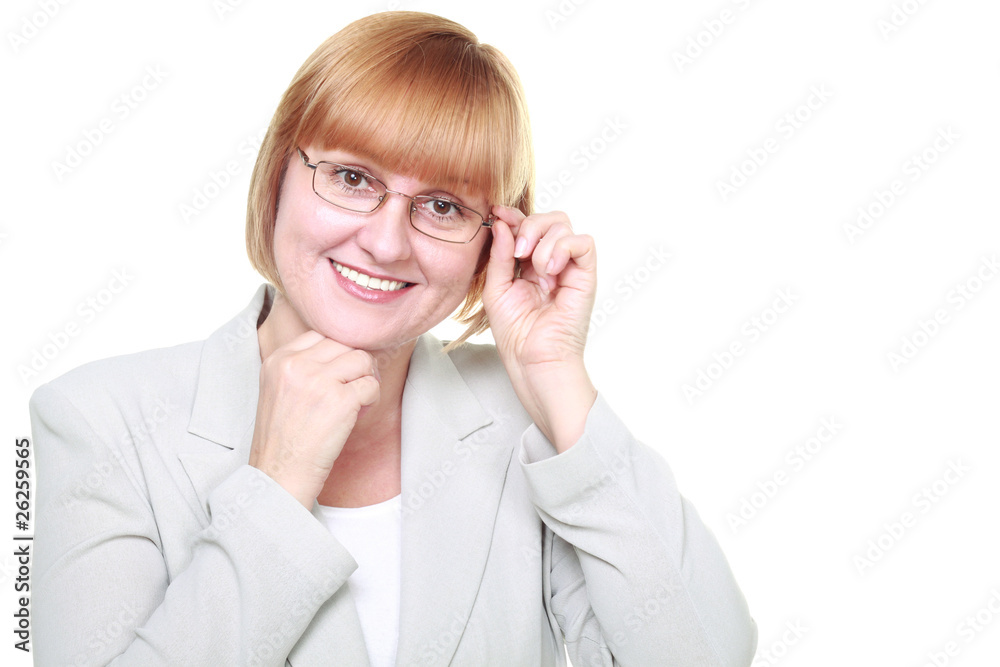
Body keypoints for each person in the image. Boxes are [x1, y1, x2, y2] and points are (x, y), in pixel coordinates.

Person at [29, 10, 757, 667]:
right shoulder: (97, 422)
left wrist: (558, 380)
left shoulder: (519, 416)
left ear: (493, 241)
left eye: (442, 205)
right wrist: (276, 490)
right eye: (351, 177)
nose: (383, 241)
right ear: (279, 173)